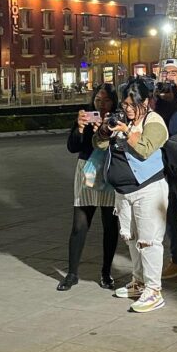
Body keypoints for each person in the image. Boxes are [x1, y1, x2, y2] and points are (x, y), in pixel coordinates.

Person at [94, 77, 169, 313]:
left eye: (132, 104)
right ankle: (139, 282)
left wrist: (126, 130)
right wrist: (105, 131)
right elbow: (99, 145)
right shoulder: (122, 119)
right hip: (123, 193)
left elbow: (146, 149)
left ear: (145, 102)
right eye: (125, 104)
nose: (127, 109)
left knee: (149, 241)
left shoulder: (154, 121)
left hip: (148, 190)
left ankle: (154, 291)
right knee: (132, 239)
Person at [57, 83, 120, 292]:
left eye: (107, 101)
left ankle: (106, 273)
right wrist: (80, 128)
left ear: (114, 102)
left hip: (109, 173)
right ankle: (72, 273)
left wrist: (107, 129)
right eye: (98, 101)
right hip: (87, 173)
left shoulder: (117, 119)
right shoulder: (86, 117)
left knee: (110, 226)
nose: (102, 105)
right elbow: (72, 147)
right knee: (79, 225)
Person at [153, 59, 177, 281]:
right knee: (168, 216)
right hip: (162, 168)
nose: (168, 76)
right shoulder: (155, 102)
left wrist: (176, 100)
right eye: (165, 73)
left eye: (173, 73)